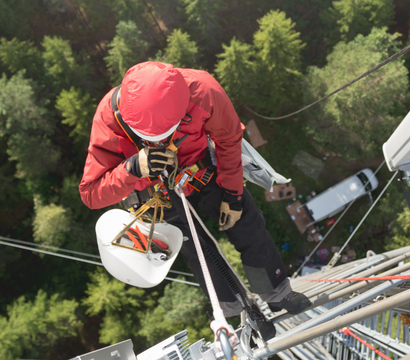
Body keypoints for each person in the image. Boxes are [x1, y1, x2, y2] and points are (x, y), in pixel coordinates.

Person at [79, 61, 310, 340]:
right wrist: (131, 169)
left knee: (248, 224)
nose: (163, 142)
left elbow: (228, 140)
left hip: (201, 172)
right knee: (201, 255)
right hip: (156, 195)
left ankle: (277, 294)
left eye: (168, 134)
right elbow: (91, 194)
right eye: (154, 138)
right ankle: (240, 314)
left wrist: (234, 195)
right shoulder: (109, 119)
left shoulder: (203, 91)